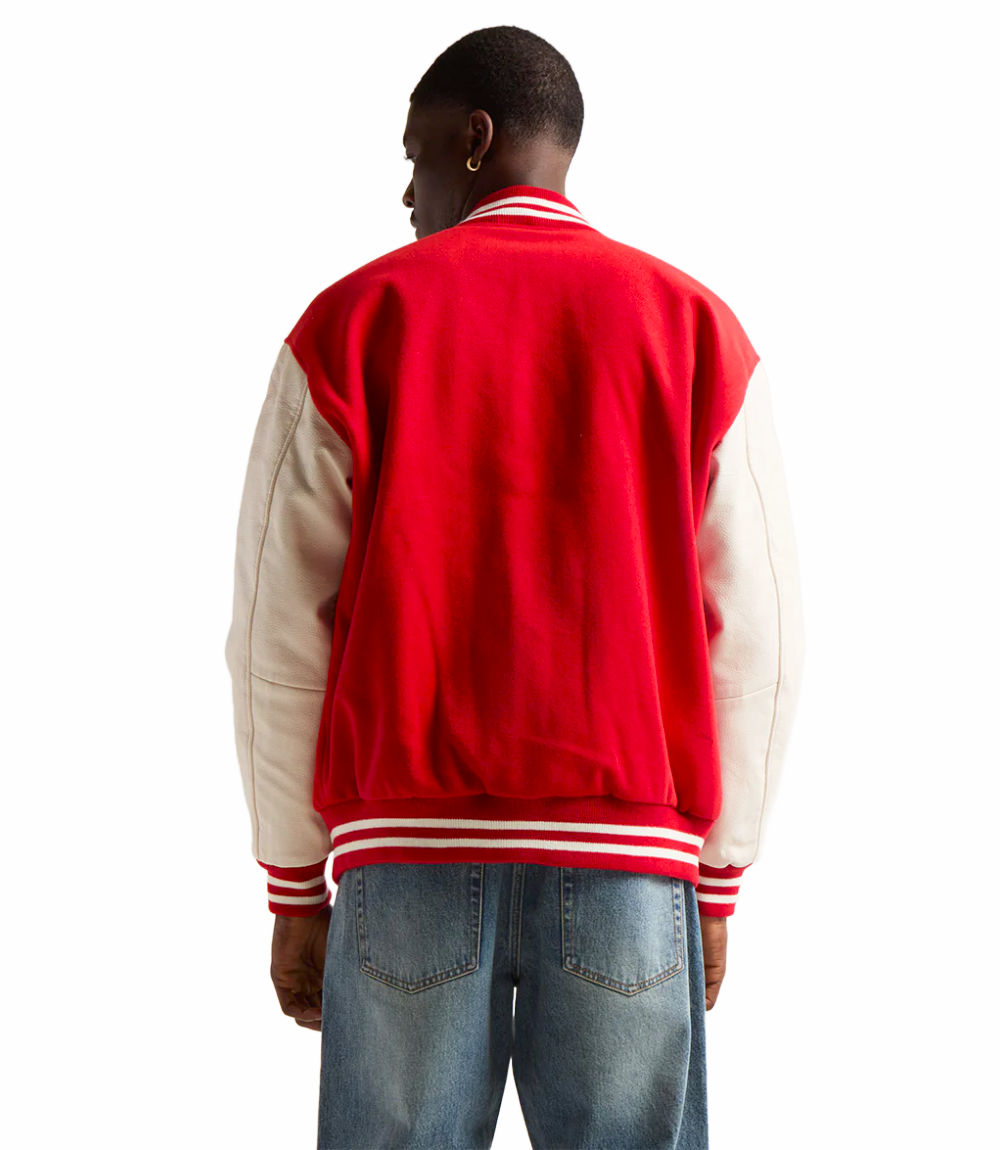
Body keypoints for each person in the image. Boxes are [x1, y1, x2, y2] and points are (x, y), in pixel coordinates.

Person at [225, 23, 805, 1150]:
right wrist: (718, 875)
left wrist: (294, 886)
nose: (407, 191)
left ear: (474, 138)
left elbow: (276, 636)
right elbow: (759, 640)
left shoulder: (350, 324)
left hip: (407, 859)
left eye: (416, 155)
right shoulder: (695, 329)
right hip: (629, 868)